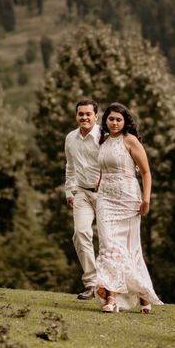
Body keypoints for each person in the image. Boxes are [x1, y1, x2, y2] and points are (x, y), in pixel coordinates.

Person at [94, 102, 162, 313]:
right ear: (105, 120)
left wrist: (146, 199)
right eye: (111, 119)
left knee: (130, 249)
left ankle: (142, 294)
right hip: (105, 199)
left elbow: (146, 172)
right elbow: (102, 169)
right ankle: (112, 298)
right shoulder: (103, 141)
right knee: (108, 246)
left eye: (118, 119)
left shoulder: (130, 141)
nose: (114, 123)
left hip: (128, 199)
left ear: (125, 122)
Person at [64, 98, 102, 300]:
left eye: (89, 114)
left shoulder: (104, 136)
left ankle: (112, 286)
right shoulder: (70, 138)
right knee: (80, 233)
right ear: (76, 115)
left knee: (108, 239)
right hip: (82, 192)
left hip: (106, 194)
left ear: (96, 116)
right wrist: (70, 191)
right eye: (81, 114)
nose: (84, 117)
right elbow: (69, 166)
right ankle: (91, 283)